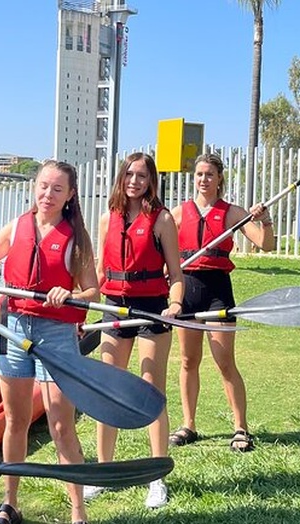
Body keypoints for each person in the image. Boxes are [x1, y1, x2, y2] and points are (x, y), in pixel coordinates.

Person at [0, 159, 99, 524]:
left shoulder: (76, 237)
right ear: (33, 188)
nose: (47, 194)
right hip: (14, 327)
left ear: (69, 195)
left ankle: (78, 512)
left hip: (56, 333)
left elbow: (91, 289)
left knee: (60, 427)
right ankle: (9, 504)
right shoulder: (17, 227)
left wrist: (68, 294)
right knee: (15, 421)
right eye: (42, 186)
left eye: (56, 189)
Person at [86, 152, 184, 509]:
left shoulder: (162, 220)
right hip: (113, 307)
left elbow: (176, 275)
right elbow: (99, 272)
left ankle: (156, 477)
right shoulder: (106, 218)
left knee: (150, 392)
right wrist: (85, 303)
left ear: (151, 181)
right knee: (107, 391)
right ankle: (104, 472)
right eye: (129, 174)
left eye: (142, 176)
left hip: (151, 309)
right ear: (121, 177)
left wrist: (174, 306)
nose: (135, 181)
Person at [168, 152, 276, 453]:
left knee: (224, 362)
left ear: (219, 180)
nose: (204, 180)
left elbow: (266, 245)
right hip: (187, 289)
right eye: (199, 174)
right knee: (188, 361)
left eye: (209, 175)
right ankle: (188, 425)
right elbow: (161, 248)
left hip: (217, 290)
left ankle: (240, 428)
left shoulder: (231, 213)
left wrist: (264, 220)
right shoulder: (178, 214)